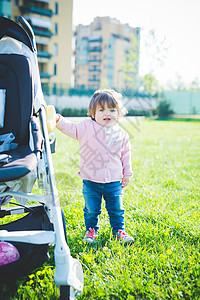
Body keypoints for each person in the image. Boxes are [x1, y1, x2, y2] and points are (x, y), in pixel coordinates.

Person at [56, 89, 134, 244]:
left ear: (118, 113)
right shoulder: (86, 127)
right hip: (91, 181)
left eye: (112, 110)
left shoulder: (121, 133)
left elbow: (126, 155)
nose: (108, 113)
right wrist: (58, 119)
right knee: (91, 210)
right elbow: (71, 128)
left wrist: (127, 173)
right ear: (93, 113)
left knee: (117, 209)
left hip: (114, 181)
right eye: (102, 109)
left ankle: (119, 231)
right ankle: (91, 231)